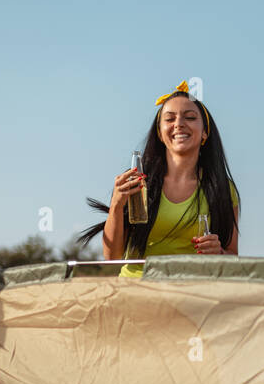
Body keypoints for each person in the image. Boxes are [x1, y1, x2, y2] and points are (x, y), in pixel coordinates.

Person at [82, 82, 239, 277]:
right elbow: (112, 259)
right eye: (170, 119)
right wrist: (116, 204)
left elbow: (232, 256)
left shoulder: (222, 188)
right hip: (138, 291)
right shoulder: (136, 184)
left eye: (189, 117)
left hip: (193, 293)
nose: (179, 124)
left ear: (205, 133)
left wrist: (220, 253)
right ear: (160, 133)